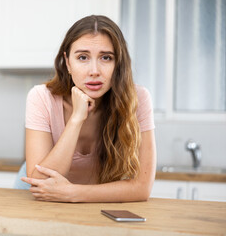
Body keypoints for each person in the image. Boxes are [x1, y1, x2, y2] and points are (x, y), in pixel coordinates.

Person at [15, 15, 156, 203]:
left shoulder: (138, 99)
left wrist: (72, 193)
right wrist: (76, 119)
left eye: (106, 58)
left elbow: (141, 188)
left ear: (118, 64)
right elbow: (41, 182)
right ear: (68, 62)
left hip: (90, 199)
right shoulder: (41, 97)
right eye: (83, 57)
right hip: (38, 197)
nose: (94, 70)